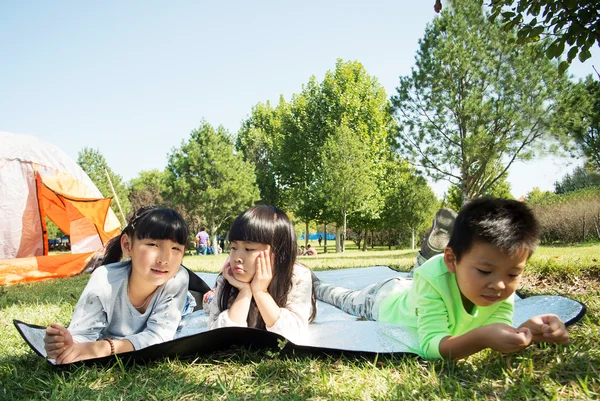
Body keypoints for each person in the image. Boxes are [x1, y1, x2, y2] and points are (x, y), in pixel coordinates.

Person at [315, 198, 570, 360]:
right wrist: (482, 338)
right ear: (453, 260)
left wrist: (528, 331)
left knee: (422, 277)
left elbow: (499, 326)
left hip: (418, 287)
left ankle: (426, 255)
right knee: (343, 298)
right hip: (382, 300)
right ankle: (316, 284)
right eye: (484, 271)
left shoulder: (499, 286)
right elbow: (432, 345)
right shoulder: (435, 279)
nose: (500, 285)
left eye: (513, 274)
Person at [44, 206, 192, 364]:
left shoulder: (178, 278)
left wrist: (106, 348)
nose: (164, 259)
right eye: (153, 245)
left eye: (176, 248)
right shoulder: (104, 281)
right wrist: (68, 344)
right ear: (127, 245)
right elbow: (82, 336)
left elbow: (159, 337)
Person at [203, 205, 317, 343]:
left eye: (249, 249)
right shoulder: (227, 277)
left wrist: (260, 292)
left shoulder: (297, 276)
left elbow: (294, 337)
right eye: (233, 247)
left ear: (279, 252)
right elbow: (217, 337)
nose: (237, 257)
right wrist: (244, 292)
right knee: (208, 301)